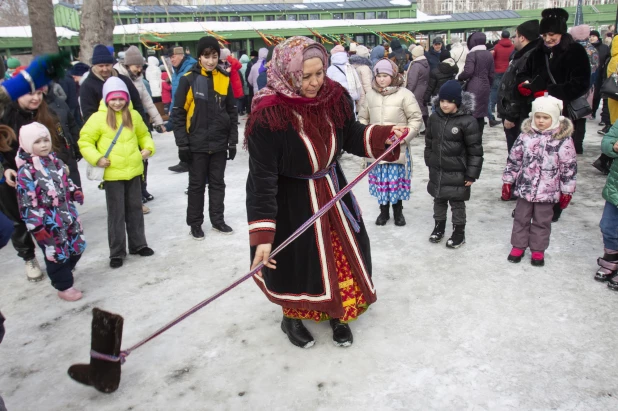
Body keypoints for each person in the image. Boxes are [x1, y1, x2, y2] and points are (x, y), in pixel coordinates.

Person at [246, 36, 407, 349]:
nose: (315, 82)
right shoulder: (268, 114)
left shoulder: (333, 97)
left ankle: (338, 312)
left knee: (340, 255)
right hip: (291, 202)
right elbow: (262, 179)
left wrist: (384, 137)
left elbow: (350, 134)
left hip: (331, 191)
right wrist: (263, 236)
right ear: (286, 72)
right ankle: (291, 316)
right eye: (305, 76)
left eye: (319, 73)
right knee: (296, 261)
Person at [516, 8, 590, 222]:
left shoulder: (575, 51)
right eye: (545, 35)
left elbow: (581, 83)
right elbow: (524, 74)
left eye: (552, 35)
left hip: (562, 115)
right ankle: (532, 201)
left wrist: (551, 92)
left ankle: (554, 204)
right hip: (538, 114)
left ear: (561, 33)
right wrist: (524, 86)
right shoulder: (537, 51)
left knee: (558, 161)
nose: (548, 39)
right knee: (535, 159)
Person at [79, 77, 156, 269]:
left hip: (134, 171)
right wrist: (96, 158)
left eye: (121, 99)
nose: (117, 102)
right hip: (113, 174)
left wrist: (148, 148)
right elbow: (85, 141)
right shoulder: (97, 118)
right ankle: (117, 251)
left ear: (127, 99)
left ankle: (139, 244)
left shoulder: (134, 116)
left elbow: (144, 134)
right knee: (116, 214)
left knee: (135, 210)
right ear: (106, 99)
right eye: (113, 99)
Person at [172, 36, 238, 240]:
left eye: (214, 56)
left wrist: (232, 140)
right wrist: (183, 143)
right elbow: (178, 114)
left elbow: (231, 111)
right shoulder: (189, 79)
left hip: (218, 142)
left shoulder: (224, 78)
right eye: (206, 56)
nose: (210, 61)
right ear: (199, 57)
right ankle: (195, 223)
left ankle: (218, 220)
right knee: (197, 185)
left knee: (218, 184)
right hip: (197, 143)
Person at [502, 95, 576, 267]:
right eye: (538, 117)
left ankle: (538, 249)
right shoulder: (526, 135)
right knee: (521, 217)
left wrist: (567, 191)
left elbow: (569, 167)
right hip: (525, 188)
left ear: (555, 118)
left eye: (546, 117)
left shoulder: (563, 139)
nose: (541, 121)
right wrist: (508, 180)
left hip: (548, 191)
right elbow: (514, 159)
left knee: (542, 221)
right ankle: (518, 245)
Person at [15, 122, 86, 300]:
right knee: (57, 254)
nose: (44, 145)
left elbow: (66, 182)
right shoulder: (26, 172)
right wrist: (36, 227)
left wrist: (74, 190)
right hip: (47, 223)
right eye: (38, 142)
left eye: (46, 140)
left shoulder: (57, 162)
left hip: (68, 215)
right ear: (27, 144)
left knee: (77, 246)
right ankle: (64, 286)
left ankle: (65, 270)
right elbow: (26, 202)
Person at [359, 58, 422, 226]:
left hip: (397, 147)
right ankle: (383, 211)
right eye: (378, 75)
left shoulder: (405, 95)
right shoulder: (370, 95)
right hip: (377, 147)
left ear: (393, 76)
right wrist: (368, 136)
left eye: (385, 75)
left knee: (395, 181)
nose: (381, 79)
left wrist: (403, 138)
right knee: (381, 181)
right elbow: (362, 118)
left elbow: (415, 119)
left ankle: (398, 211)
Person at [425, 80, 484, 248]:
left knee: (457, 203)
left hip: (458, 172)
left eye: (450, 101)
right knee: (439, 200)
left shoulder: (468, 121)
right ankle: (439, 227)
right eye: (442, 100)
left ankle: (459, 232)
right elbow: (429, 141)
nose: (445, 104)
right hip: (438, 169)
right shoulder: (434, 118)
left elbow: (475, 151)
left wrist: (471, 174)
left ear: (458, 101)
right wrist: (429, 160)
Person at [497, 19, 543, 153]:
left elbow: (521, 89)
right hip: (517, 115)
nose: (514, 39)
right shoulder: (524, 54)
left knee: (516, 155)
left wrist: (511, 116)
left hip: (518, 117)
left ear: (522, 38)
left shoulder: (529, 56)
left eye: (516, 36)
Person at [79, 45, 146, 124]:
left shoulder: (124, 80)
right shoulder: (87, 86)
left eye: (107, 65)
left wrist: (145, 127)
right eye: (101, 66)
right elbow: (89, 114)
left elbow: (137, 105)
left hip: (128, 125)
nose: (105, 69)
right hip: (104, 131)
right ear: (94, 66)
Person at [458, 31, 495, 135]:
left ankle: (472, 137)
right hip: (485, 85)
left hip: (473, 86)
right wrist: (488, 84)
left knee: (472, 112)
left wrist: (460, 77)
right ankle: (479, 136)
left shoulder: (472, 54)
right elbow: (492, 73)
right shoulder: (489, 54)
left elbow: (468, 71)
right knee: (481, 113)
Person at [167, 46, 197, 174]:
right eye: (170, 58)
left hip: (189, 107)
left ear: (180, 55)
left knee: (189, 133)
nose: (171, 60)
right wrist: (172, 107)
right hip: (178, 106)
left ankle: (190, 162)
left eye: (173, 57)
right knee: (180, 132)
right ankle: (184, 161)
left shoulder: (190, 67)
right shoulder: (177, 70)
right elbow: (176, 92)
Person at [595, 121, 618, 290]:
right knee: (608, 226)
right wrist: (613, 146)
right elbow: (607, 140)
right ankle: (612, 258)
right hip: (616, 186)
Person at [489, 30, 514, 126]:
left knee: (495, 89)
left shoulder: (497, 47)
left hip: (497, 70)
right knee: (507, 90)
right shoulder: (512, 46)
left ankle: (492, 107)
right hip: (508, 71)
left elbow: (493, 57)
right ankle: (504, 107)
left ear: (501, 36)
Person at [327, 45, 363, 111]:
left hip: (337, 99)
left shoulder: (330, 69)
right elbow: (356, 82)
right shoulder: (350, 67)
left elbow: (327, 86)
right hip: (350, 97)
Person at [406, 45, 431, 128]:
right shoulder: (425, 63)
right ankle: (428, 127)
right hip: (423, 88)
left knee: (416, 110)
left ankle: (418, 128)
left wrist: (408, 91)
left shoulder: (416, 65)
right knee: (423, 109)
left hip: (417, 90)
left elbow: (412, 81)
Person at [591, 30, 611, 125]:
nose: (592, 37)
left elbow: (607, 60)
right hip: (589, 73)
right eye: (591, 36)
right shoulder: (586, 47)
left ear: (598, 37)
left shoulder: (604, 48)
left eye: (594, 36)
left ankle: (594, 111)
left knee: (597, 94)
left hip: (600, 74)